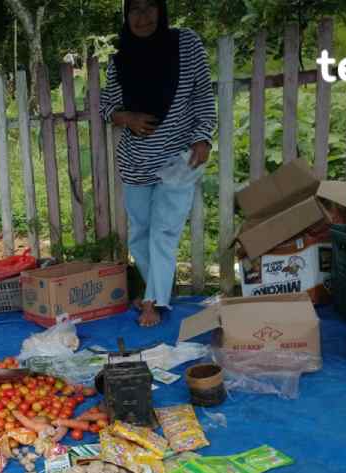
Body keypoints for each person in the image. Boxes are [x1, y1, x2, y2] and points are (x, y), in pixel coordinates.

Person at [100, 0, 215, 327]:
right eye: (134, 9)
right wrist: (128, 117)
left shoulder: (186, 44)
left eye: (150, 6)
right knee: (140, 235)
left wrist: (203, 137)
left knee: (164, 231)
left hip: (180, 156)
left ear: (161, 10)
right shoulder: (120, 59)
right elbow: (107, 107)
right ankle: (158, 290)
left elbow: (203, 95)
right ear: (126, 15)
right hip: (136, 160)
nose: (143, 17)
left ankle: (153, 302)